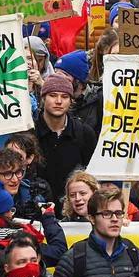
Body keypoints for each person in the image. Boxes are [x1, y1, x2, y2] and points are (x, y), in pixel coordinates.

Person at [51, 188, 139, 277]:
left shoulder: (132, 251)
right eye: (107, 214)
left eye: (119, 213)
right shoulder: (75, 256)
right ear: (92, 219)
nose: (115, 219)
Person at [34, 74, 98, 202]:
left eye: (64, 97)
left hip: (75, 210)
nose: (58, 101)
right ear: (43, 98)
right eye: (53, 95)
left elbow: (92, 178)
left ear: (71, 100)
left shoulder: (84, 133)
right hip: (39, 210)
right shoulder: (30, 134)